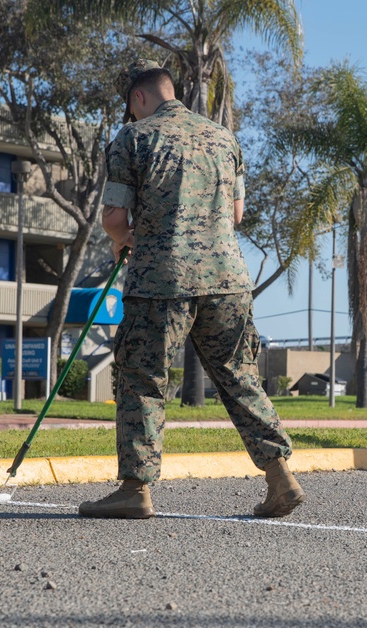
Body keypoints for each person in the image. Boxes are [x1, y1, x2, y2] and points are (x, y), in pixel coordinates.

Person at [79, 59, 305, 520]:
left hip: (161, 280)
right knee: (239, 376)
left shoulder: (133, 137)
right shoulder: (224, 137)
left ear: (138, 97)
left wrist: (124, 240)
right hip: (228, 281)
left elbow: (115, 218)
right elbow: (237, 215)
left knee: (142, 378)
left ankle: (135, 489)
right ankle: (280, 477)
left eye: (131, 107)